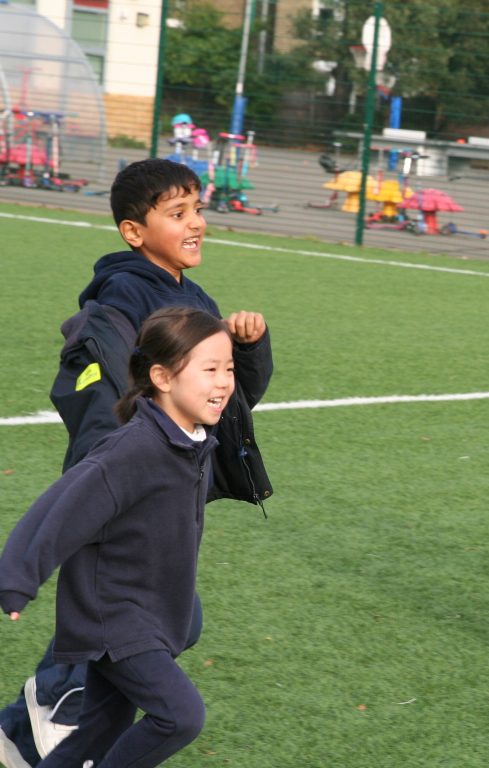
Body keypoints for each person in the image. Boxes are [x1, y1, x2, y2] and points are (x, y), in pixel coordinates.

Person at [0, 158, 273, 768]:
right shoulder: (124, 294)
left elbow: (231, 400)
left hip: (165, 482)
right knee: (138, 649)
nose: (196, 222)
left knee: (172, 625)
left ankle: (22, 729)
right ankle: (36, 710)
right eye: (177, 213)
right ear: (133, 231)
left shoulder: (191, 296)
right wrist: (125, 459)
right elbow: (108, 391)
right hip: (130, 482)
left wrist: (249, 352)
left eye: (198, 208)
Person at [0, 307, 235, 768]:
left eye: (228, 368)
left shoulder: (191, 440)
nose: (225, 381)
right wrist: (17, 578)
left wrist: (253, 350)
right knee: (181, 717)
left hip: (149, 615)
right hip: (114, 620)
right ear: (162, 377)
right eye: (210, 369)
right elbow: (62, 508)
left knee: (99, 732)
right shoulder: (135, 448)